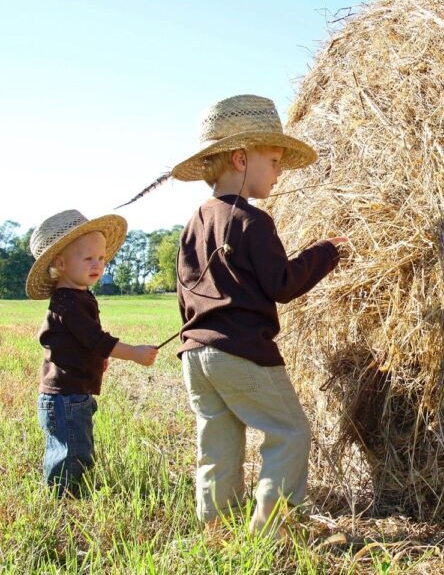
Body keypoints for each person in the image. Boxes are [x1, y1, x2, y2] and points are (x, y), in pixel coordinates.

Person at [171, 94, 347, 538]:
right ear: (239, 157)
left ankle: (217, 528)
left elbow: (185, 289)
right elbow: (283, 284)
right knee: (288, 431)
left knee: (217, 443)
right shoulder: (253, 221)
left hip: (195, 355)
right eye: (273, 159)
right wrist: (327, 252)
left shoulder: (195, 222)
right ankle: (274, 532)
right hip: (241, 353)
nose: (279, 170)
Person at [26, 209, 159, 497]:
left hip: (73, 392)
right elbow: (96, 340)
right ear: (60, 263)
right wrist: (133, 352)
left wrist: (97, 361)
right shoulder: (68, 303)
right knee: (71, 453)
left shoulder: (77, 296)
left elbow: (79, 345)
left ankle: (72, 492)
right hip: (65, 396)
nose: (98, 264)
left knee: (77, 446)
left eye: (101, 258)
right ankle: (64, 500)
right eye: (88, 258)